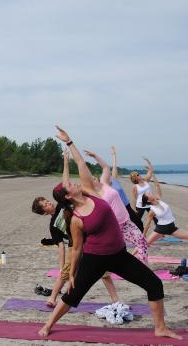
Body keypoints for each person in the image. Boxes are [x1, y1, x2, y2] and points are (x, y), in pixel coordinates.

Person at [38, 127, 180, 340]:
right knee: (73, 295)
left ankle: (160, 328)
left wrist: (70, 143)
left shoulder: (90, 192)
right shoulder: (76, 218)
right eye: (69, 185)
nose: (74, 183)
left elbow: (81, 164)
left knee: (154, 284)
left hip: (119, 255)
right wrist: (73, 273)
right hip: (94, 258)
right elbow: (76, 249)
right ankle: (48, 324)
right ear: (67, 197)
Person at [31, 150, 120, 308]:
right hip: (74, 246)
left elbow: (64, 183)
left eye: (46, 201)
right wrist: (62, 264)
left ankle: (116, 299)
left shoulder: (62, 205)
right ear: (44, 212)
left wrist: (65, 162)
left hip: (89, 240)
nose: (48, 204)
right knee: (64, 274)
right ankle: (52, 298)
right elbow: (60, 247)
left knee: (104, 273)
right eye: (45, 205)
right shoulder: (53, 225)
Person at [84, 150, 148, 264]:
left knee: (142, 241)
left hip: (126, 221)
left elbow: (105, 167)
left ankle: (143, 264)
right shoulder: (94, 195)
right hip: (114, 226)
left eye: (94, 177)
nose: (94, 178)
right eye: (92, 179)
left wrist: (95, 156)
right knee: (117, 249)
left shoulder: (105, 182)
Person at [142, 173, 188, 244]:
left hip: (171, 227)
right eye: (149, 194)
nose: (150, 193)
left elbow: (157, 185)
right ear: (148, 200)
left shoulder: (158, 198)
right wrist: (143, 234)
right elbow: (148, 224)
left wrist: (152, 174)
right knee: (144, 244)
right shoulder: (152, 210)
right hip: (161, 229)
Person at [110, 146, 144, 232]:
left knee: (138, 223)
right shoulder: (105, 188)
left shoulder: (114, 180)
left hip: (127, 206)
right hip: (118, 208)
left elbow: (114, 166)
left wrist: (114, 155)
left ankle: (140, 238)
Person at [130, 158, 154, 225]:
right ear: (135, 178)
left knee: (156, 219)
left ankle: (160, 233)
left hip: (150, 203)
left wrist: (148, 162)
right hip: (140, 205)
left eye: (138, 174)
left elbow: (150, 171)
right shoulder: (135, 187)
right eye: (137, 175)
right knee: (137, 221)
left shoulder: (146, 180)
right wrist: (134, 208)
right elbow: (134, 198)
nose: (139, 175)